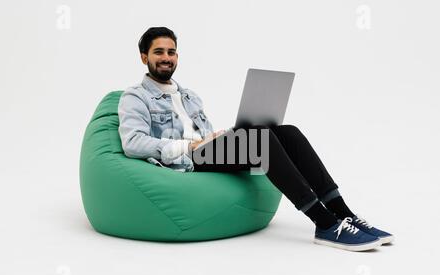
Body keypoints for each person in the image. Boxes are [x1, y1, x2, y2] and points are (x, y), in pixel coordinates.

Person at [118, 26, 394, 252]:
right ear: (144, 57)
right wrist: (188, 146)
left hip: (205, 150)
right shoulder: (135, 97)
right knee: (259, 140)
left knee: (288, 132)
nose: (166, 57)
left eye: (172, 52)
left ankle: (342, 212)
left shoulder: (189, 95)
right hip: (186, 160)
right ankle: (324, 223)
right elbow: (133, 143)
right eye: (159, 52)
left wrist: (219, 137)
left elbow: (204, 134)